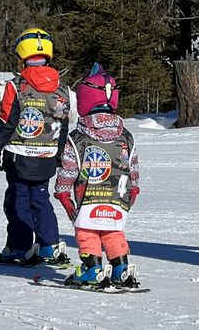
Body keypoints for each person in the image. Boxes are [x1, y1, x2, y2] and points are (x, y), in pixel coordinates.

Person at [0, 28, 72, 265]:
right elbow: (63, 124)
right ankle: (49, 246)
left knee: (17, 200)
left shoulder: (16, 86)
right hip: (47, 155)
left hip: (19, 155)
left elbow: (7, 121)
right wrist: (60, 152)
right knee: (41, 199)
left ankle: (18, 247)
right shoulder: (62, 89)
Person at [54, 64, 141, 287]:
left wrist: (63, 192)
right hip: (118, 198)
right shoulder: (126, 136)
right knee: (113, 231)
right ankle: (121, 267)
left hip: (88, 197)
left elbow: (69, 168)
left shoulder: (78, 138)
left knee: (87, 231)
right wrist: (134, 188)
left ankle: (91, 268)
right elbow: (132, 165)